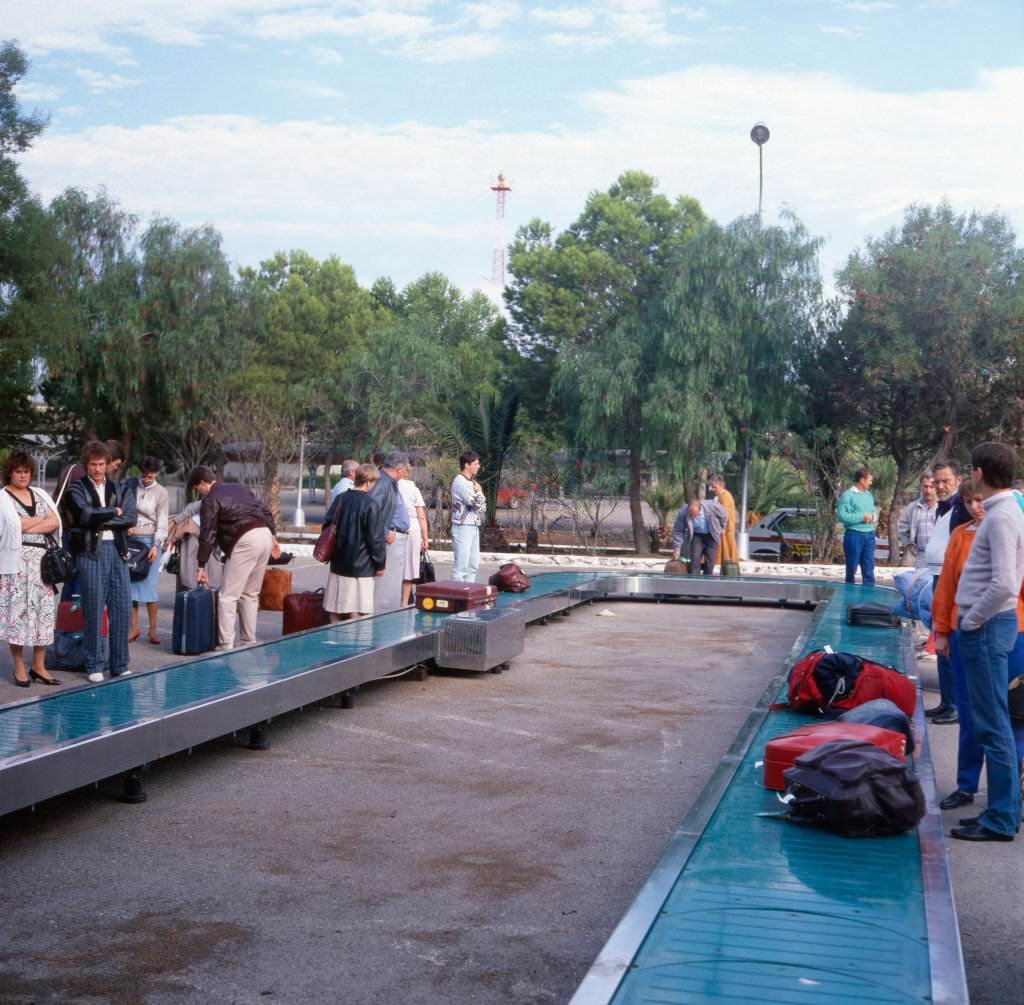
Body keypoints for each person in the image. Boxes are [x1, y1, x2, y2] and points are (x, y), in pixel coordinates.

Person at [947, 442, 1024, 843]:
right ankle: (1002, 814)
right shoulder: (1007, 511)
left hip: (988, 627)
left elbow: (1006, 583)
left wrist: (972, 621)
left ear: (978, 472)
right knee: (991, 723)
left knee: (994, 727)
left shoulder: (1003, 516)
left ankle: (1000, 819)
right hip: (991, 626)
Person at [67, 441, 137, 683]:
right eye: (93, 464)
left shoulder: (121, 488)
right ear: (86, 465)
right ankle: (94, 663)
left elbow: (130, 518)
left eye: (101, 464)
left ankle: (119, 664)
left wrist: (102, 517)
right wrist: (113, 512)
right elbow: (84, 515)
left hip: (117, 552)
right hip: (90, 553)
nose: (97, 469)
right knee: (94, 610)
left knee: (121, 609)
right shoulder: (77, 488)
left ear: (108, 465)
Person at [190, 466, 277, 651]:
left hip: (244, 540)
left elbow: (208, 533)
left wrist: (201, 565)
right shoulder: (240, 488)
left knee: (228, 596)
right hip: (264, 535)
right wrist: (274, 536)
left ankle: (225, 644)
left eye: (198, 489)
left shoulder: (211, 499)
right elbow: (266, 510)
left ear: (203, 483)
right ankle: (248, 640)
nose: (199, 493)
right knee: (250, 594)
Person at [0, 451, 62, 687]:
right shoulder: (2, 498)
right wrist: (36, 522)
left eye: (26, 471)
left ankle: (39, 665)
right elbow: (7, 526)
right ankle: (19, 666)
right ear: (10, 473)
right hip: (15, 563)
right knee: (16, 615)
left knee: (43, 614)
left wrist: (23, 524)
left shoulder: (40, 494)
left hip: (42, 563)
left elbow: (54, 521)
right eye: (18, 471)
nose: (23, 475)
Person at [923, 461, 967, 723]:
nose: (939, 486)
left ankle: (956, 706)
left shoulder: (961, 507)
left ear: (957, 479)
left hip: (952, 581)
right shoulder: (943, 508)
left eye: (944, 481)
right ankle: (947, 701)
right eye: (936, 481)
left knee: (949, 642)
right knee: (940, 640)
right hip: (938, 577)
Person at [325, 464, 385, 622]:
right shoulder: (371, 505)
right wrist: (380, 564)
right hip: (362, 565)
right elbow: (375, 539)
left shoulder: (340, 499)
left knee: (335, 607)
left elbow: (327, 526)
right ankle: (357, 645)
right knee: (358, 610)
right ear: (368, 482)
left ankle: (332, 641)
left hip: (338, 562)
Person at [128, 455, 169, 645]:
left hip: (150, 540)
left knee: (149, 587)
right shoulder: (131, 486)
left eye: (150, 476)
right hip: (131, 539)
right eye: (144, 475)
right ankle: (133, 627)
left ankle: (152, 630)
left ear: (156, 474)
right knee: (131, 586)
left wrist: (156, 545)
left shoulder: (162, 493)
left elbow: (162, 521)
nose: (146, 479)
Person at [369, 450, 411, 612]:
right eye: (405, 470)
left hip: (395, 538)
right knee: (385, 587)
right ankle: (379, 622)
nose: (405, 474)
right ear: (400, 469)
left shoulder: (388, 482)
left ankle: (384, 618)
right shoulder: (383, 483)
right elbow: (372, 510)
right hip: (389, 539)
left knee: (391, 585)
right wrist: (384, 531)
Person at [837, 466, 877, 587]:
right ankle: (849, 597)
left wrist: (873, 517)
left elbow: (873, 512)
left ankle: (869, 598)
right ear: (862, 480)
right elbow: (842, 516)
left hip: (869, 535)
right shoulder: (847, 496)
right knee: (852, 568)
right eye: (869, 480)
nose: (871, 483)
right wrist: (861, 517)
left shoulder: (869, 495)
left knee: (869, 568)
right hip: (854, 535)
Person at [450, 450, 486, 583]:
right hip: (462, 527)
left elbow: (483, 508)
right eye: (476, 464)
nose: (478, 466)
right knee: (461, 567)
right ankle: (455, 598)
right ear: (467, 465)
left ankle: (467, 596)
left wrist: (479, 496)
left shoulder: (471, 483)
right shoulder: (460, 482)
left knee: (472, 565)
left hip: (473, 526)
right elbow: (477, 505)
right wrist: (480, 493)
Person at [398, 463, 430, 606]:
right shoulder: (413, 489)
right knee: (409, 568)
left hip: (395, 529)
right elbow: (421, 516)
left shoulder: (389, 487)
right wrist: (425, 538)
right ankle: (405, 603)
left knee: (396, 567)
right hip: (413, 530)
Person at [670, 497, 727, 576]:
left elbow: (723, 514)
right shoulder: (683, 512)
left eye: (694, 514)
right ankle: (695, 578)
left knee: (710, 561)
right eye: (690, 514)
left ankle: (707, 579)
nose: (692, 517)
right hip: (696, 535)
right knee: (694, 558)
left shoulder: (712, 506)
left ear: (700, 509)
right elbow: (678, 531)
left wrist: (722, 528)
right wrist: (677, 549)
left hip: (711, 534)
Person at [897, 473, 938, 567]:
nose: (928, 490)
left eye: (932, 487)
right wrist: (908, 545)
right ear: (921, 487)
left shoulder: (943, 507)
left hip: (940, 557)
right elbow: (902, 527)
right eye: (925, 487)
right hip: (921, 557)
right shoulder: (913, 507)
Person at [709, 475, 738, 569]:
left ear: (720, 486)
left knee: (726, 546)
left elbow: (725, 513)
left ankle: (727, 563)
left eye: (714, 487)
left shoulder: (725, 496)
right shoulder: (720, 496)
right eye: (712, 487)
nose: (712, 489)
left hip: (725, 528)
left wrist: (722, 527)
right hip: (723, 527)